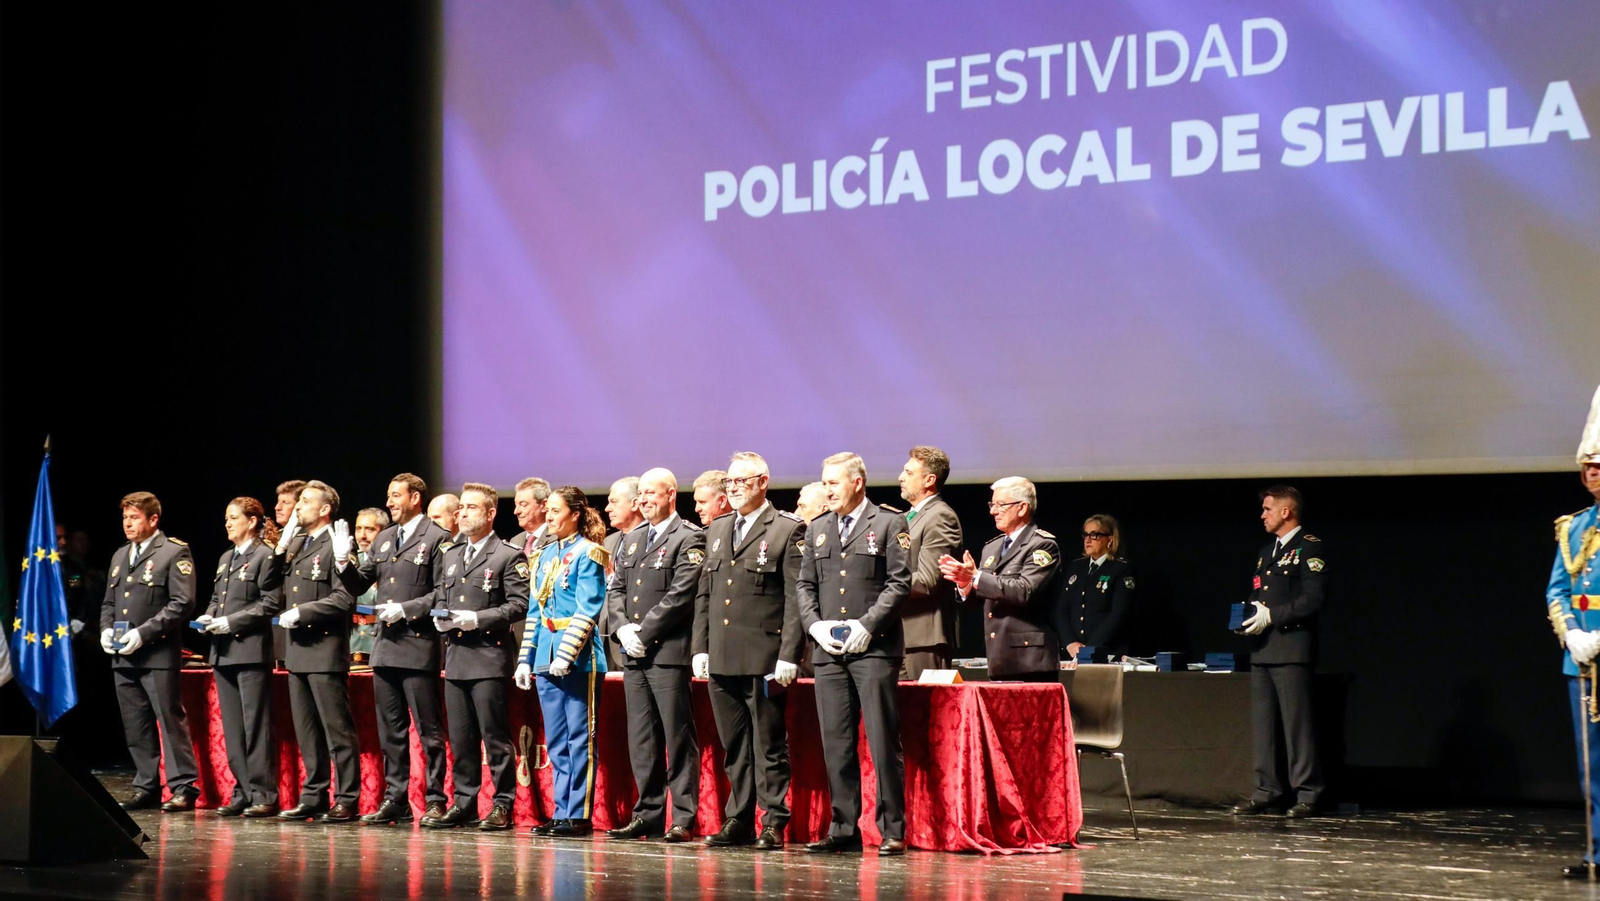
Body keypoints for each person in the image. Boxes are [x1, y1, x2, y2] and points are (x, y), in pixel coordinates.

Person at [797, 452, 911, 855]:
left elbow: (899, 583)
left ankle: (892, 828)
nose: (827, 489)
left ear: (857, 482)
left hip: (874, 650)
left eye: (833, 482)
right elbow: (804, 586)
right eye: (824, 483)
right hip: (829, 652)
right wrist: (814, 625)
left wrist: (868, 625)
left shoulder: (887, 522)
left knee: (882, 741)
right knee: (836, 742)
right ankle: (844, 828)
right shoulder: (818, 528)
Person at [693, 451, 805, 850]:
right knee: (735, 746)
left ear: (763, 482)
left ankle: (773, 820)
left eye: (741, 481)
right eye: (729, 482)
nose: (734, 488)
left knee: (768, 744)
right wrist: (699, 647)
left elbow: (795, 599)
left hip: (764, 657)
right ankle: (738, 819)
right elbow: (706, 593)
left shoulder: (788, 529)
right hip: (722, 655)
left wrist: (789, 654)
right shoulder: (720, 528)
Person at [333, 473, 452, 826]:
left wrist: (409, 608)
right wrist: (343, 562)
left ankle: (435, 799)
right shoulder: (385, 539)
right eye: (388, 495)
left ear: (415, 498)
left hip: (417, 646)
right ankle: (395, 798)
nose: (389, 502)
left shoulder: (438, 538)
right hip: (385, 648)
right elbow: (359, 582)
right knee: (391, 731)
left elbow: (442, 591)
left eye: (395, 495)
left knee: (429, 732)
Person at [421, 483, 529, 831]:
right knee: (462, 738)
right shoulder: (451, 554)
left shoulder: (508, 555)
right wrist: (440, 617)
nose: (462, 513)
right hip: (456, 658)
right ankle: (464, 802)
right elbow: (440, 595)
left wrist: (478, 619)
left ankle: (502, 804)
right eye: (461, 507)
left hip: (488, 657)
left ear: (490, 513)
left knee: (495, 737)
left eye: (471, 507)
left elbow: (519, 604)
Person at [607, 468, 704, 842]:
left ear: (671, 494)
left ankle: (682, 817)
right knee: (642, 738)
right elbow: (615, 590)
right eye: (641, 494)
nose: (645, 499)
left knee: (677, 738)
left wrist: (644, 632)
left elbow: (681, 595)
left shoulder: (689, 537)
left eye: (652, 493)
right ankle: (647, 814)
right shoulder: (630, 540)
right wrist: (622, 628)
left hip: (666, 654)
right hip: (633, 654)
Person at [515, 486, 610, 837]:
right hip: (545, 655)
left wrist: (567, 653)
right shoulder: (542, 555)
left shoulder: (589, 553)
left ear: (575, 514)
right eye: (548, 511)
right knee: (556, 739)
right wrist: (526, 659)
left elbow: (589, 609)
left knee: (579, 737)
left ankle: (579, 815)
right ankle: (561, 811)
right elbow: (535, 612)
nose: (549, 517)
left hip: (579, 658)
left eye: (555, 511)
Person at [99, 491, 200, 811]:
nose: (127, 524)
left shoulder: (173, 552)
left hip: (156, 653)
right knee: (135, 724)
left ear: (153, 519)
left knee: (169, 720)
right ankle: (147, 785)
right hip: (123, 655)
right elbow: (109, 603)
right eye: (125, 518)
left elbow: (182, 603)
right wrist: (104, 630)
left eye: (134, 518)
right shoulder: (119, 555)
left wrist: (144, 633)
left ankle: (183, 786)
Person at [1231, 485, 1326, 819]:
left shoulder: (1309, 548)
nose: (1263, 514)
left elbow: (1313, 600)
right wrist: (1252, 614)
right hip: (1263, 650)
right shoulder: (1266, 552)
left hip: (1290, 649)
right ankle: (1266, 790)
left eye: (1268, 509)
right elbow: (1262, 594)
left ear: (1287, 511)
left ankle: (1308, 793)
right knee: (1264, 727)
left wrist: (1273, 615)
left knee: (1297, 727)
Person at [274, 480, 362, 823]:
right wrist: (280, 549)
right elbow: (269, 583)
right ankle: (314, 794)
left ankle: (346, 798)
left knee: (336, 730)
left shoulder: (336, 544)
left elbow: (344, 598)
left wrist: (304, 612)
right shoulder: (297, 543)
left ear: (325, 509)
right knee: (307, 730)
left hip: (324, 649)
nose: (298, 506)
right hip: (297, 651)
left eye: (306, 501)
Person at [197, 497, 283, 818]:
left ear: (251, 521)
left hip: (249, 651)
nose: (227, 523)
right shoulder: (225, 558)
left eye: (233, 518)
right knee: (233, 727)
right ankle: (242, 790)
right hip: (222, 653)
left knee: (254, 725)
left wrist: (232, 621)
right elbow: (216, 598)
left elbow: (270, 603)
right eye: (226, 518)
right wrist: (209, 617)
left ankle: (264, 793)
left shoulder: (265, 556)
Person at [1549, 384, 1600, 879]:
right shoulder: (1574, 528)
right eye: (1589, 466)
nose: (1593, 473)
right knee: (1593, 770)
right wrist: (1572, 635)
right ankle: (1598, 854)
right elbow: (1556, 591)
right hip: (1582, 661)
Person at [940, 477, 1062, 681]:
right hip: (999, 658)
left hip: (1030, 661)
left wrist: (976, 576)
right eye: (992, 504)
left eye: (1000, 505)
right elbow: (981, 599)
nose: (992, 511)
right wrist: (965, 584)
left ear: (1022, 508)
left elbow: (1024, 591)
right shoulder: (992, 547)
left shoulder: (1042, 545)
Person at [895, 446, 962, 680]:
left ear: (929, 480)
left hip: (924, 638)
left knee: (924, 714)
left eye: (909, 472)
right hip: (899, 636)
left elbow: (927, 580)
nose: (900, 478)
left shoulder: (941, 516)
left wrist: (882, 579)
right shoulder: (906, 517)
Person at [1058, 514, 1136, 662]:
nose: (1088, 539)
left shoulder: (1121, 568)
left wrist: (1090, 649)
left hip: (1106, 652)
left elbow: (1119, 613)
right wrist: (1069, 643)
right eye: (1085, 534)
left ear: (1110, 540)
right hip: (1073, 653)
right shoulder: (1076, 567)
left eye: (1094, 535)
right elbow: (1062, 610)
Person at [602, 476, 644, 671]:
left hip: (637, 641)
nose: (607, 509)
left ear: (635, 504)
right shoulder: (607, 543)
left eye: (614, 502)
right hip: (606, 642)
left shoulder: (652, 541)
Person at [347, 507, 389, 665]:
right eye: (358, 529)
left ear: (384, 532)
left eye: (370, 529)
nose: (362, 536)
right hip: (351, 641)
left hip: (378, 639)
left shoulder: (390, 562)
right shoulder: (349, 562)